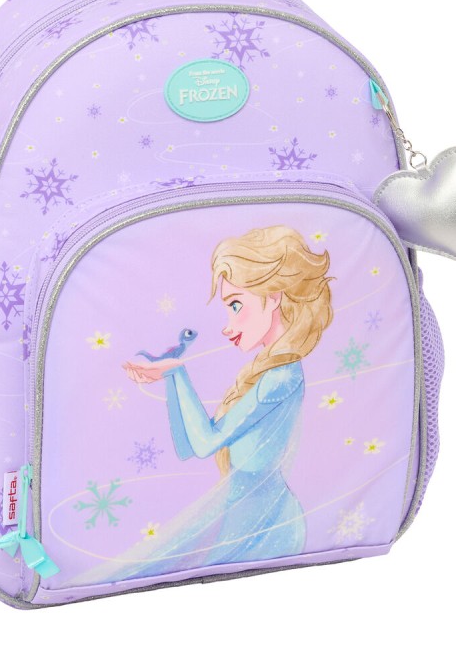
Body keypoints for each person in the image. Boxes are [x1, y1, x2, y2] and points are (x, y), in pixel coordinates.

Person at [59, 225, 334, 586]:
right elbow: (188, 446)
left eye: (236, 305)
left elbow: (206, 443)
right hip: (244, 515)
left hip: (267, 524)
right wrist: (172, 376)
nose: (228, 326)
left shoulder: (280, 377)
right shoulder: (266, 372)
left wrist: (177, 372)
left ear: (274, 298)